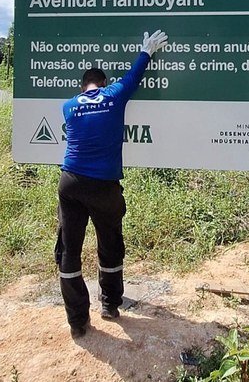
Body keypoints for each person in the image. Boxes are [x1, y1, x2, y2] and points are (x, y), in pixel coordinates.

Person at [55, 29, 169, 338]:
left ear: (83, 86)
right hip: (104, 186)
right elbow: (134, 76)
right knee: (110, 245)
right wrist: (146, 51)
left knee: (69, 251)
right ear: (103, 84)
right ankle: (109, 305)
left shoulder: (69, 105)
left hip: (71, 183)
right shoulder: (114, 95)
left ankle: (78, 322)